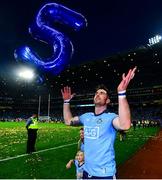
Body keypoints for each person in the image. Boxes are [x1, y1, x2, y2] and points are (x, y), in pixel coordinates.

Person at [61, 67, 136, 179]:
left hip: (104, 174)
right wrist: (66, 102)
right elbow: (68, 121)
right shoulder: (86, 117)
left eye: (102, 93)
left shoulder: (111, 117)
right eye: (96, 93)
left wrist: (121, 93)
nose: (98, 94)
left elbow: (125, 125)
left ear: (108, 100)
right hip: (86, 172)